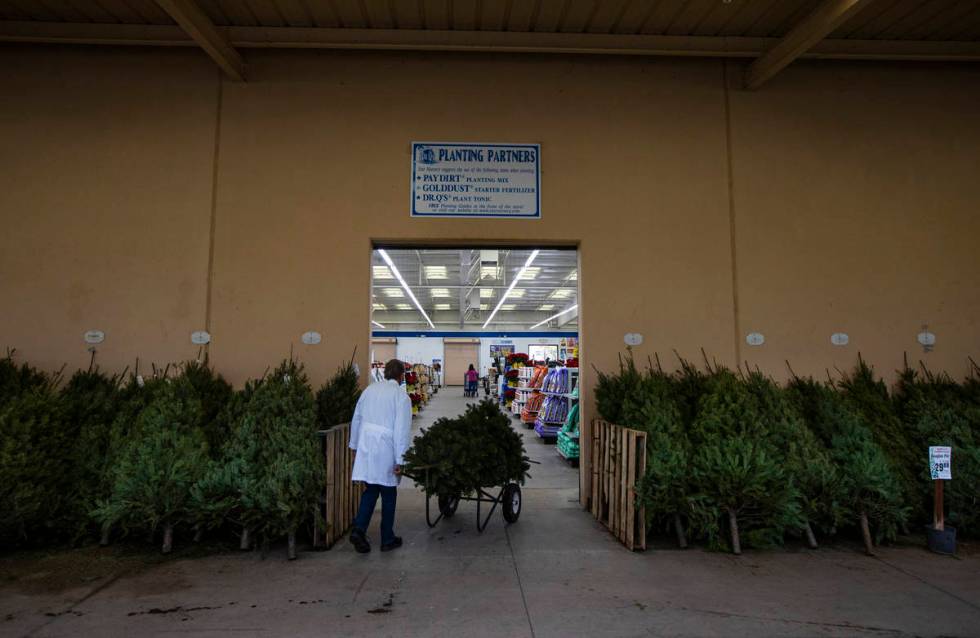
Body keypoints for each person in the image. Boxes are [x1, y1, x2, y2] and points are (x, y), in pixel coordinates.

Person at [348, 359, 412, 553]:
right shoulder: (401, 397)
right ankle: (387, 538)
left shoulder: (369, 390)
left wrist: (354, 445)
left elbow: (357, 417)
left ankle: (359, 530)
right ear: (401, 376)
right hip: (386, 447)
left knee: (371, 489)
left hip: (367, 444)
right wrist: (401, 459)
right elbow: (402, 430)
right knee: (389, 493)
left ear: (385, 373)